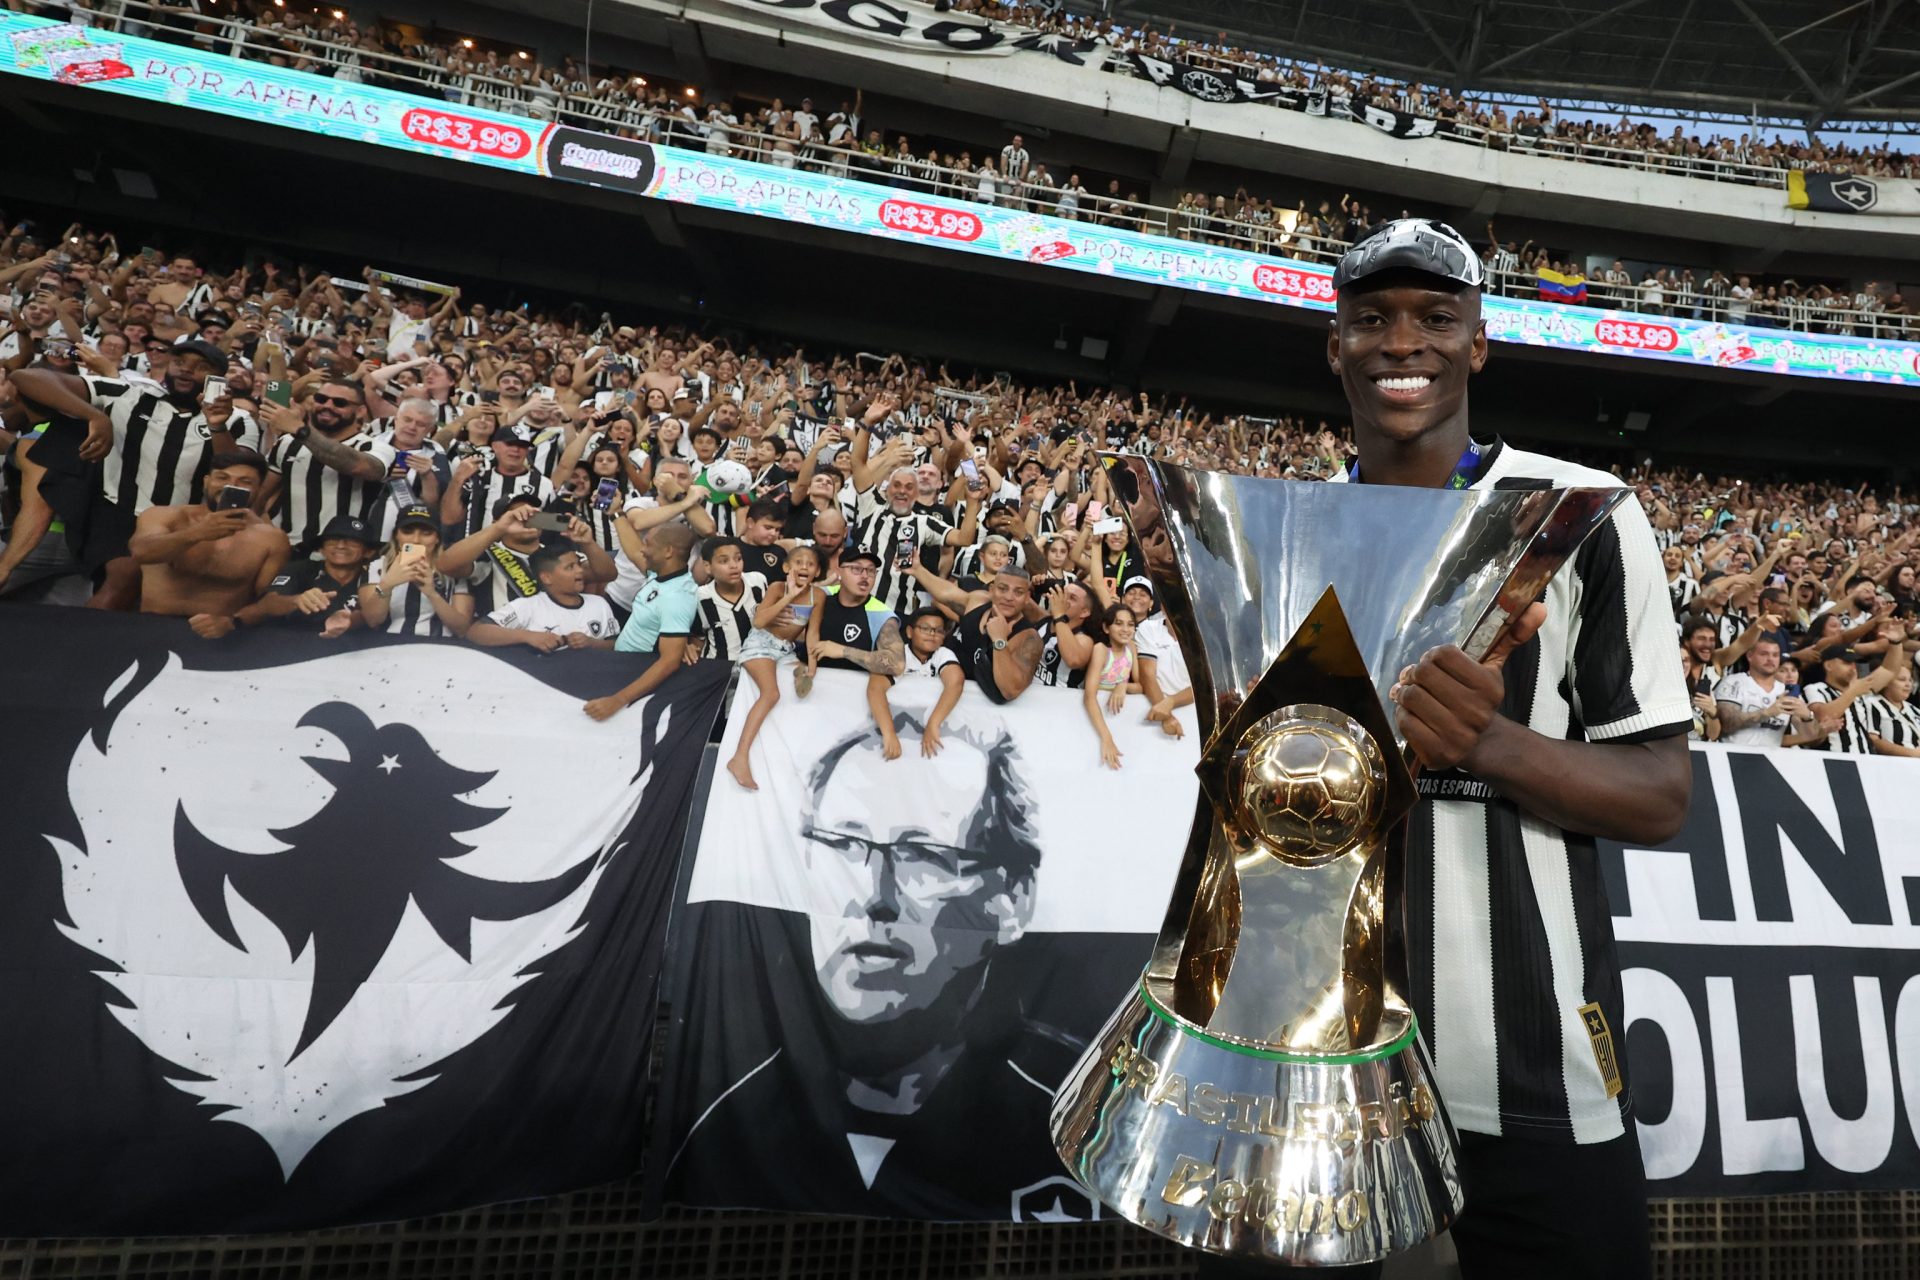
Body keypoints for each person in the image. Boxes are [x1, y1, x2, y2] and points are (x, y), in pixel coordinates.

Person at [1305, 219, 1693, 1280]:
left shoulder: (1588, 517)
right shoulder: (1287, 532)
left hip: (1537, 1076)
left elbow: (1662, 795)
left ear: (1479, 344)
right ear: (1334, 345)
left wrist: (1489, 740)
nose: (1402, 343)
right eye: (1372, 319)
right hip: (1313, 1077)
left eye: (1436, 318)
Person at [666, 705, 1081, 1217]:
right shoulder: (713, 1114)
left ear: (1012, 898)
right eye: (842, 844)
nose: (870, 894)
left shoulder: (1082, 1116)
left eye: (923, 854)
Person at [127, 448, 290, 634]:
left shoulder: (271, 539)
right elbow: (141, 552)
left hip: (218, 635)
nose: (231, 486)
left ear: (260, 489)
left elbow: (267, 602)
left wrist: (232, 622)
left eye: (245, 482)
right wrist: (197, 533)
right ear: (206, 481)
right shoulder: (162, 516)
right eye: (222, 478)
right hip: (153, 627)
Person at [724, 544, 825, 791]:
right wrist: (790, 595)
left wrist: (812, 665)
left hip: (785, 648)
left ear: (818, 571)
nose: (804, 567)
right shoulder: (778, 587)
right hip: (761, 643)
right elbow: (759, 621)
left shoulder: (819, 596)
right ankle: (739, 757)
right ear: (786, 567)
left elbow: (812, 633)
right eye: (798, 562)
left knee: (805, 678)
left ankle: (800, 673)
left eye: (810, 564)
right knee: (771, 694)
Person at [584, 523, 701, 721]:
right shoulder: (662, 575)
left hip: (635, 680)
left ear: (668, 551)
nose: (642, 549)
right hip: (622, 666)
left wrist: (617, 700)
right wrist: (616, 514)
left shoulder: (676, 598)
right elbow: (634, 553)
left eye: (647, 544)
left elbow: (669, 662)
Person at [239, 514, 377, 637]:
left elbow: (376, 616)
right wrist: (296, 600)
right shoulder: (301, 568)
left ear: (368, 552)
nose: (340, 546)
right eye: (333, 540)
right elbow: (268, 603)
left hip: (351, 650)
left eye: (352, 541)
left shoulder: (374, 578)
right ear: (321, 548)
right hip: (289, 643)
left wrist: (350, 621)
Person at [357, 503, 474, 638]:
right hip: (389, 646)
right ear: (396, 535)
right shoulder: (376, 567)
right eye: (407, 532)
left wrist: (432, 594)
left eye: (426, 533)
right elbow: (372, 621)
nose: (416, 540)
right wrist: (387, 585)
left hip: (440, 646)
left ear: (437, 538)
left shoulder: (454, 571)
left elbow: (463, 629)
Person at [1712, 637, 1820, 748]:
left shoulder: (1787, 692)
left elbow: (1811, 737)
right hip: (1733, 756)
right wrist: (1767, 713)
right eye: (1764, 654)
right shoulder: (1733, 682)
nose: (1770, 659)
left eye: (1775, 655)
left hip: (1770, 760)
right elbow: (1726, 723)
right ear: (1750, 656)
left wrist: (1807, 716)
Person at [1082, 603, 1139, 769]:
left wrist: (1122, 685)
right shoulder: (1100, 650)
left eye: (1130, 624)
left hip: (1118, 717)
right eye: (1118, 623)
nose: (1125, 629)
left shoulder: (1132, 648)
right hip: (1096, 718)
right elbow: (1089, 696)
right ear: (1106, 628)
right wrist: (1106, 737)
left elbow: (1140, 686)